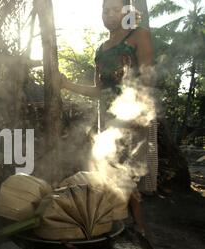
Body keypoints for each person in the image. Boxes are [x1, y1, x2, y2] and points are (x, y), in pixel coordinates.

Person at [61, 0, 159, 235]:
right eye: (105, 10)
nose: (110, 15)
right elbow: (99, 91)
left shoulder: (139, 36)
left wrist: (136, 113)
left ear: (127, 12)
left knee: (129, 171)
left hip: (134, 114)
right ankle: (115, 223)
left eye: (116, 10)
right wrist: (66, 84)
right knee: (109, 171)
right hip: (106, 119)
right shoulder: (101, 49)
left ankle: (139, 227)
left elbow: (148, 78)